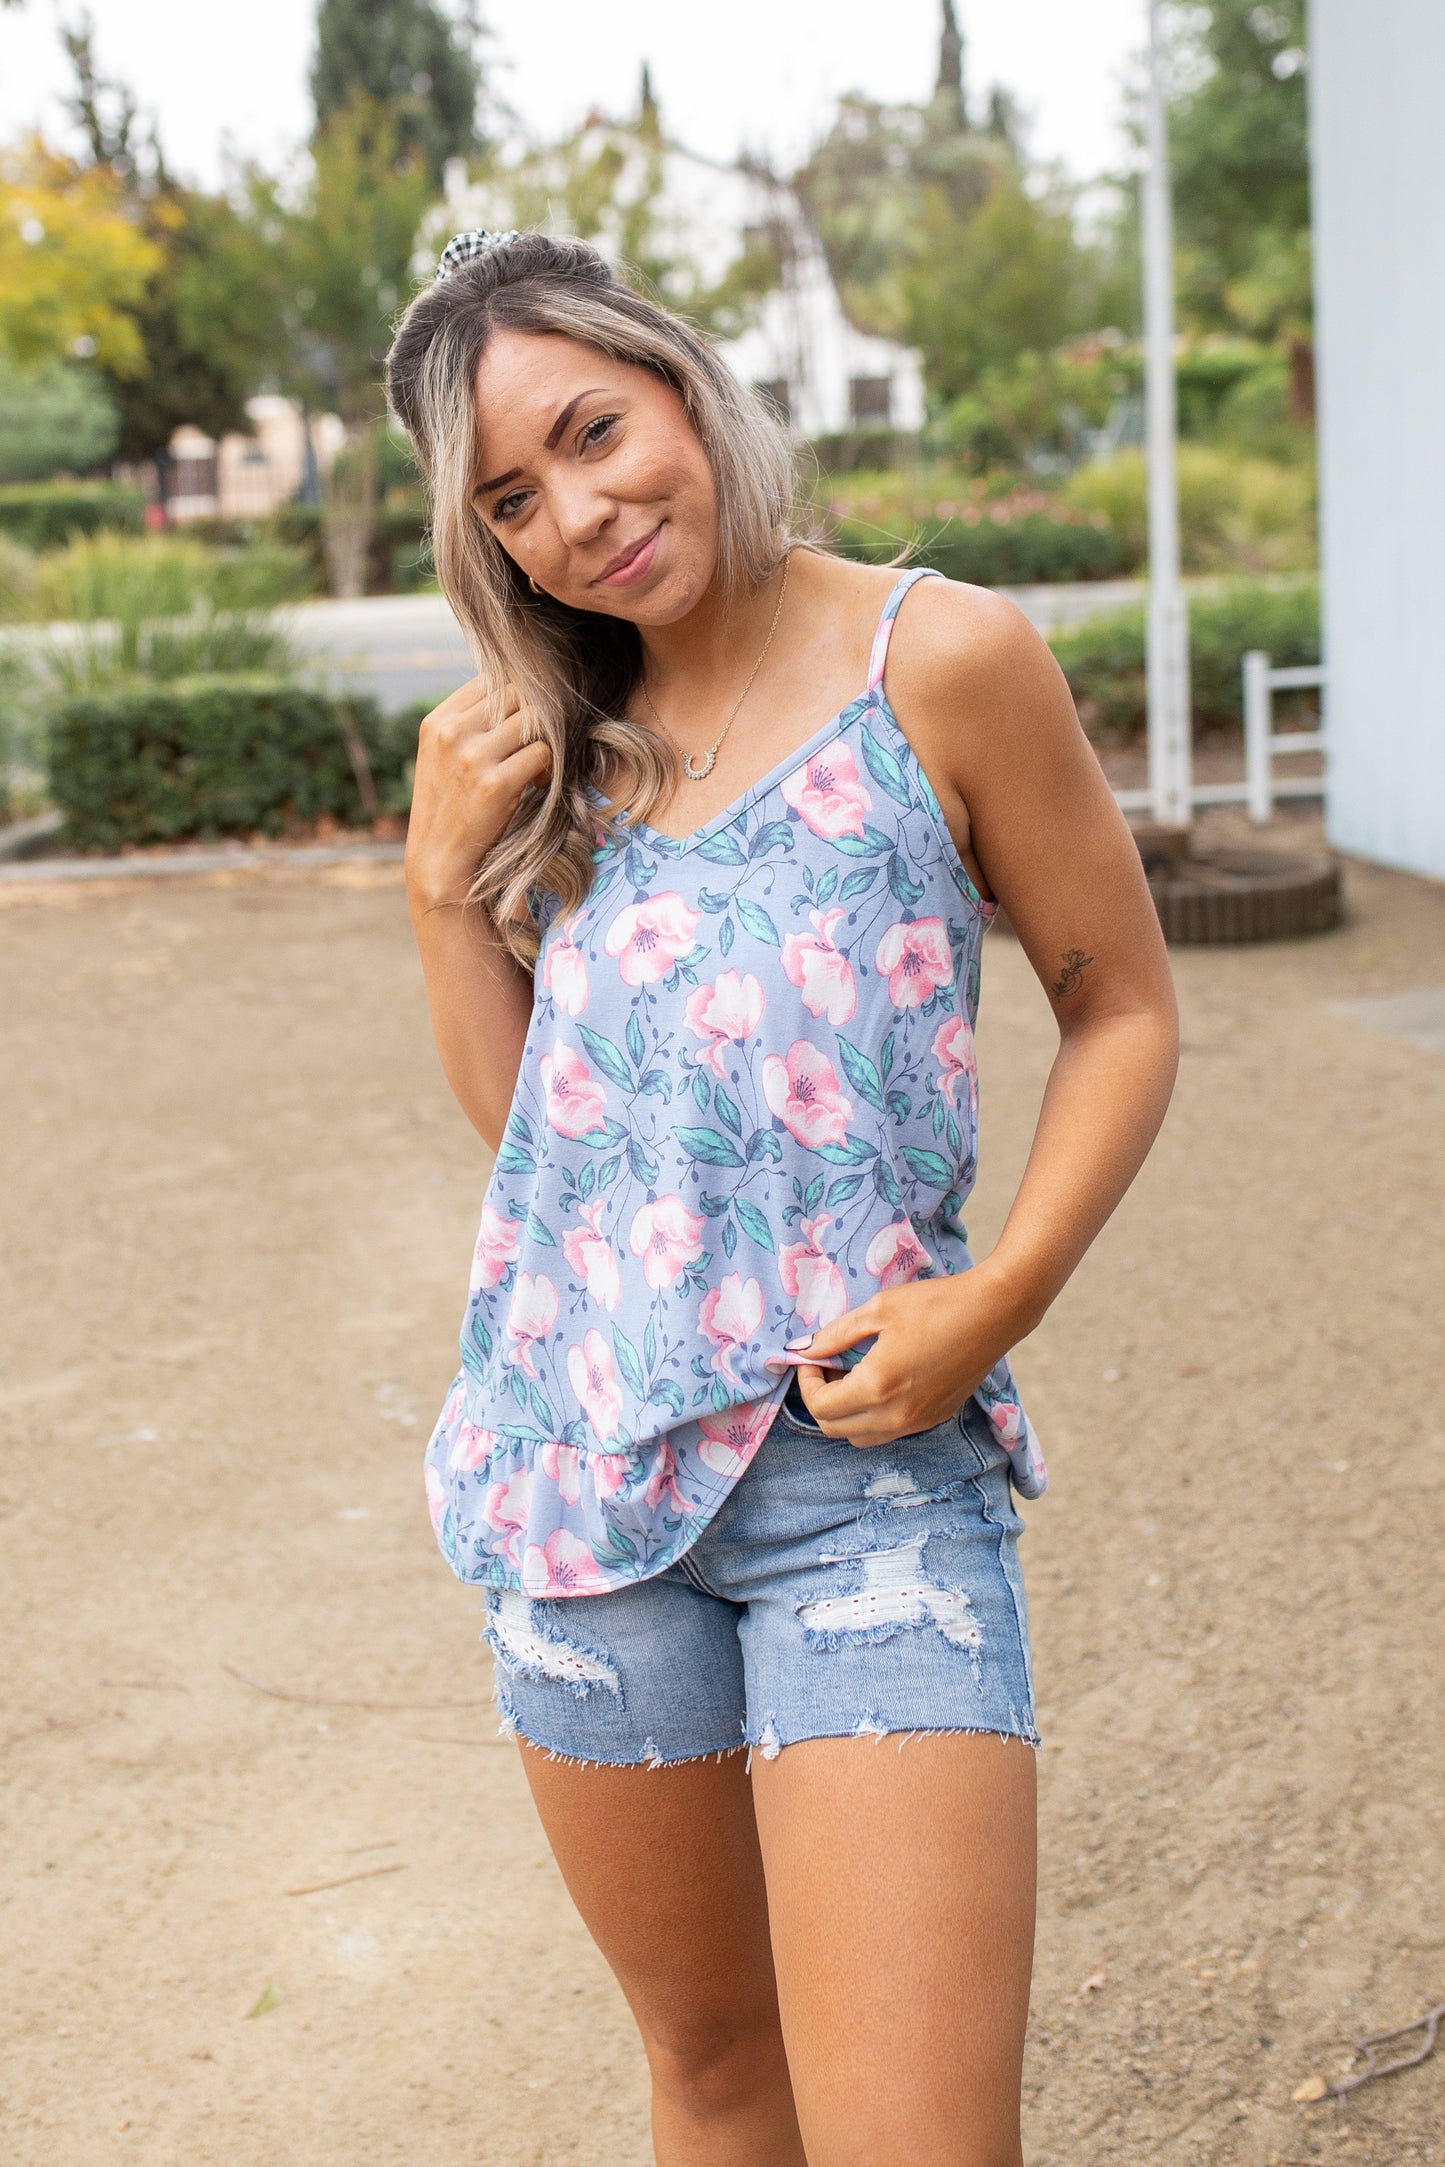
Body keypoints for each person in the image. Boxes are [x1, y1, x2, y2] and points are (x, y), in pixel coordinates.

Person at [385, 229, 1178, 2167]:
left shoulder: (946, 659)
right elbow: (551, 1154)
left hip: (861, 1483)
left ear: (682, 385)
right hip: (584, 1502)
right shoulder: (544, 744)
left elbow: (1123, 1003)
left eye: (594, 430)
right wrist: (433, 891)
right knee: (717, 2081)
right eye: (513, 497)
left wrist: (1005, 1294)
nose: (579, 511)